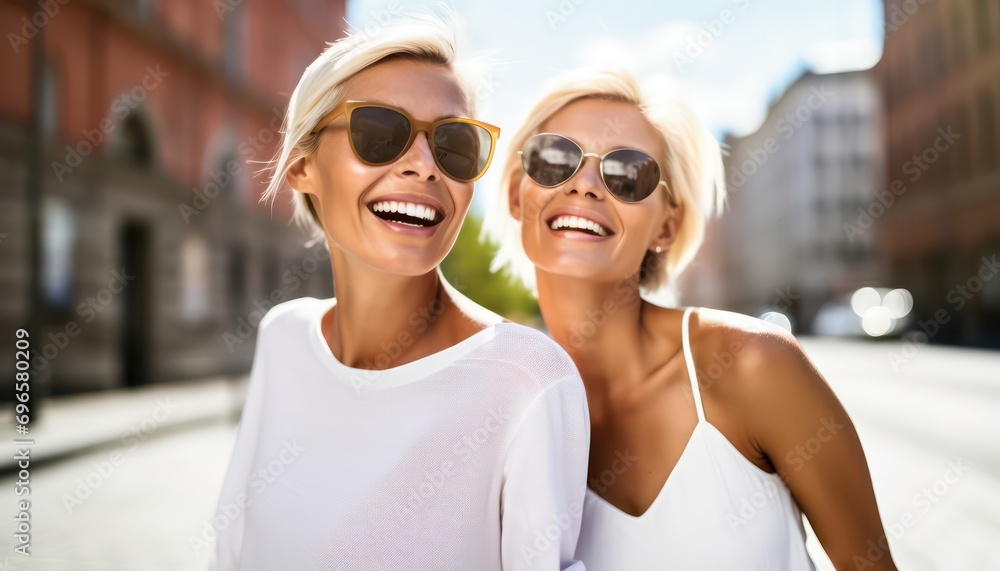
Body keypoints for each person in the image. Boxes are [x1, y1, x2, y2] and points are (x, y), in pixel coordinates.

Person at [209, 15, 589, 571]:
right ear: (302, 167)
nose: (424, 165)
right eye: (380, 133)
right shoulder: (283, 336)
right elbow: (232, 550)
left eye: (455, 144)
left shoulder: (528, 380)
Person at [485, 68, 898, 570]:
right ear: (515, 195)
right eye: (555, 159)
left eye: (628, 173)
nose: (586, 185)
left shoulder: (755, 366)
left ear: (667, 224)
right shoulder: (502, 417)